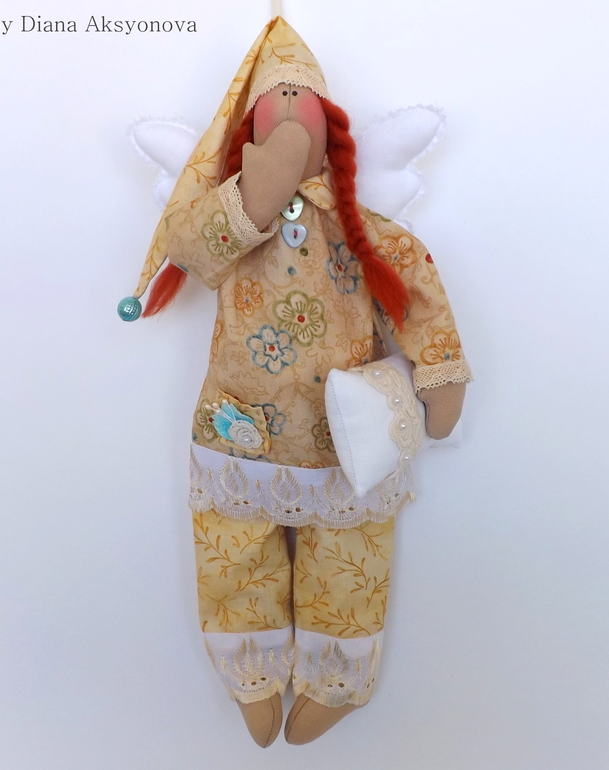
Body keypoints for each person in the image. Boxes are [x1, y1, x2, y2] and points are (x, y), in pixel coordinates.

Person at [122, 16, 471, 746]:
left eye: (298, 103)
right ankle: (247, 676)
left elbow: (414, 280)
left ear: (329, 130)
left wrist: (438, 373)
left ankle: (335, 680)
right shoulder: (229, 220)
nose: (286, 114)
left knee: (349, 556)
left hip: (345, 436)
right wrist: (254, 192)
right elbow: (188, 249)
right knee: (233, 551)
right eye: (272, 105)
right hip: (239, 427)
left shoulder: (356, 225)